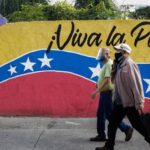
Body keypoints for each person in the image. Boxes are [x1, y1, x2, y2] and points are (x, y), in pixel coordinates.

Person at [96, 43, 150, 150]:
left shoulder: (130, 64)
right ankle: (109, 146)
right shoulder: (120, 65)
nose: (116, 53)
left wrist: (139, 102)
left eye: (119, 51)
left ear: (125, 52)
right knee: (112, 124)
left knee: (139, 125)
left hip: (130, 102)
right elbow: (112, 80)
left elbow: (136, 84)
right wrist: (114, 68)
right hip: (120, 102)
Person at [90, 47, 133, 142]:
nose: (100, 55)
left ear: (106, 54)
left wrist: (96, 91)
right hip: (104, 93)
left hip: (107, 94)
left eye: (103, 53)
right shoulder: (106, 65)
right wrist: (98, 84)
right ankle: (101, 135)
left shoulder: (109, 64)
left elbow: (107, 80)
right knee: (102, 114)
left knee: (109, 115)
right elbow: (104, 79)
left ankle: (126, 129)